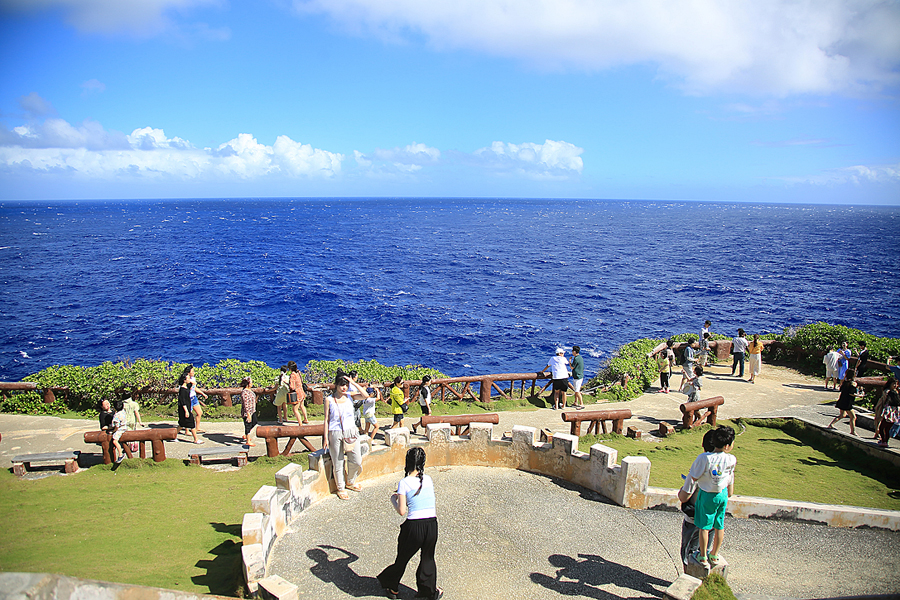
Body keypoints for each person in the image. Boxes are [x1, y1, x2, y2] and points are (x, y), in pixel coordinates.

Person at [377, 447, 442, 600]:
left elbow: (401, 511)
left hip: (414, 527)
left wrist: (394, 500)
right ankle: (428, 593)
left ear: (407, 463)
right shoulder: (429, 479)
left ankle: (392, 587)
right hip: (432, 525)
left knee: (403, 558)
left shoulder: (404, 483)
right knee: (428, 558)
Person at [684, 425, 736, 568]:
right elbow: (730, 478)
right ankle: (714, 554)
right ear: (727, 445)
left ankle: (703, 556)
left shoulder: (705, 458)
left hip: (707, 495)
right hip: (722, 495)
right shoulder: (731, 459)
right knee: (719, 525)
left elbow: (694, 477)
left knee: (703, 527)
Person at [323, 375, 368, 499]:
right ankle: (341, 487)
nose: (344, 387)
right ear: (336, 385)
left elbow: (365, 395)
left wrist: (352, 382)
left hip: (351, 431)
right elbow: (326, 419)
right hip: (335, 432)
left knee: (356, 459)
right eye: (341, 385)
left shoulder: (350, 396)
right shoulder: (329, 400)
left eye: (346, 385)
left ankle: (350, 480)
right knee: (338, 462)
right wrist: (326, 438)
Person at [677, 429, 716, 569]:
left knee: (689, 553)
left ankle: (689, 582)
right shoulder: (724, 465)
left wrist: (681, 492)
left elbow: (685, 495)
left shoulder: (700, 464)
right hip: (711, 516)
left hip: (694, 518)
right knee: (704, 551)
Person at [827, 368, 862, 436]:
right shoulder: (853, 383)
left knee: (842, 415)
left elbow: (842, 389)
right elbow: (851, 393)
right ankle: (853, 431)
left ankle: (831, 424)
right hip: (848, 402)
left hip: (842, 400)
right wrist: (859, 395)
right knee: (853, 417)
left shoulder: (844, 382)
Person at [875, 378, 899, 447]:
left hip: (889, 413)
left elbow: (885, 402)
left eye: (896, 384)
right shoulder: (889, 392)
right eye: (893, 384)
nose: (895, 385)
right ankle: (885, 441)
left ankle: (884, 441)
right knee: (886, 429)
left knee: (883, 428)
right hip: (890, 412)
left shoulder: (892, 392)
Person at [177, 378, 200, 444]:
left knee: (181, 424)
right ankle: (196, 439)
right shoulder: (182, 390)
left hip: (187, 407)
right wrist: (186, 411)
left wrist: (193, 385)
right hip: (184, 408)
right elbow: (182, 401)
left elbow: (191, 391)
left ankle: (173, 436)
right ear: (184, 380)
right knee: (191, 423)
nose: (189, 379)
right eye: (188, 378)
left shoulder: (186, 388)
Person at [240, 376, 258, 447]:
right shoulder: (245, 392)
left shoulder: (249, 390)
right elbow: (246, 404)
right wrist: (248, 414)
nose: (252, 383)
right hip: (247, 412)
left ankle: (246, 434)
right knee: (248, 425)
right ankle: (248, 440)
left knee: (255, 422)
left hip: (252, 410)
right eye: (251, 382)